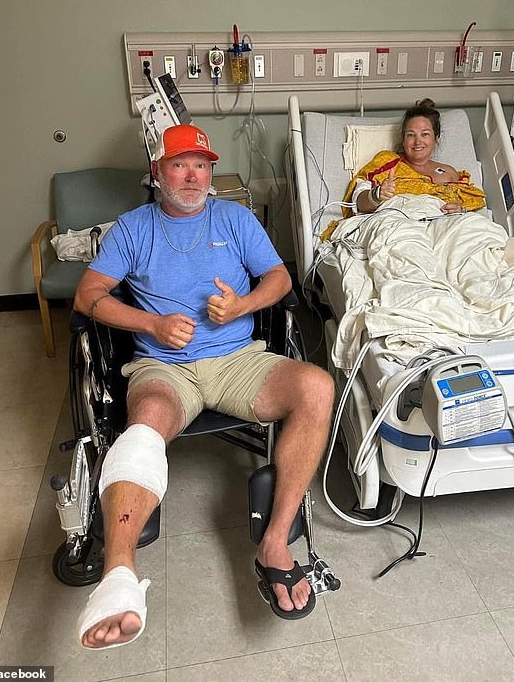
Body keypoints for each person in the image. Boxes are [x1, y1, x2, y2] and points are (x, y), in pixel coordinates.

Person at [74, 123, 334, 649]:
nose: (192, 175)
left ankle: (276, 543)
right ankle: (118, 573)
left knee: (317, 387)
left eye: (202, 165)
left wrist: (242, 305)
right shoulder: (131, 228)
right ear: (157, 173)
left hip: (238, 360)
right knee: (145, 425)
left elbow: (278, 280)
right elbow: (88, 295)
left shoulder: (235, 218)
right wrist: (151, 324)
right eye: (179, 164)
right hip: (164, 367)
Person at [347, 98, 486, 217]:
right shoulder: (387, 163)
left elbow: (471, 207)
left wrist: (460, 210)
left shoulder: (449, 172)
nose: (418, 142)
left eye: (425, 134)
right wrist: (375, 196)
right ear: (403, 139)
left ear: (436, 138)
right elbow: (357, 201)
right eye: (411, 135)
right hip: (399, 224)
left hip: (444, 225)